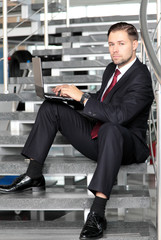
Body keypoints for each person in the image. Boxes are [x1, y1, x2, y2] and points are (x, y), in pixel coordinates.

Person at [0, 22, 154, 239]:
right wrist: (73, 98)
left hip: (126, 144)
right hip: (99, 138)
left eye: (121, 43)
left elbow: (119, 117)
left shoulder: (141, 76)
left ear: (135, 44)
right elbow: (101, 100)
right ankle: (34, 174)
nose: (115, 49)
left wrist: (81, 98)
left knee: (111, 128)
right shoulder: (112, 69)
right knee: (52, 107)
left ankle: (97, 213)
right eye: (111, 44)